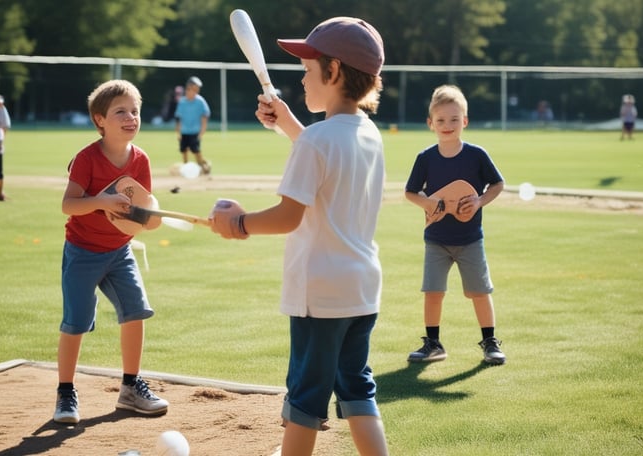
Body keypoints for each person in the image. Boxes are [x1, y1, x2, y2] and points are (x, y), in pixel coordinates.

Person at [210, 17, 389, 456]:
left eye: (309, 69)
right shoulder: (368, 133)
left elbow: (289, 215)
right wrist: (288, 124)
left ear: (334, 72)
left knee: (305, 398)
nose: (302, 78)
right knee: (356, 389)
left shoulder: (317, 142)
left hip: (319, 295)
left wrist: (239, 223)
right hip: (361, 290)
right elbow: (329, 155)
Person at [54, 79, 168, 424]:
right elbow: (68, 205)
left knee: (135, 311)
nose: (131, 117)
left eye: (135, 111)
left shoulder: (141, 160)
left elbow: (140, 209)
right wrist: (101, 201)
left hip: (120, 251)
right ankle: (65, 393)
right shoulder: (87, 159)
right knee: (76, 322)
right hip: (82, 251)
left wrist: (151, 217)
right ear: (100, 119)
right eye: (121, 111)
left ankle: (131, 387)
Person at [404, 84, 506, 366]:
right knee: (432, 291)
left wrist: (480, 201)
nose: (447, 125)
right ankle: (433, 343)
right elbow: (411, 192)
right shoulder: (426, 158)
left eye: (454, 119)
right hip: (435, 238)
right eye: (440, 120)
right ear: (430, 124)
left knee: (480, 292)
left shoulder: (476, 155)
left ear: (465, 121)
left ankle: (490, 342)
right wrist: (427, 203)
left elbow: (497, 184)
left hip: (470, 238)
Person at [173, 76, 211, 176]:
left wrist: (202, 131)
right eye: (195, 88)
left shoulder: (200, 101)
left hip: (195, 131)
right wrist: (178, 131)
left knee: (196, 150)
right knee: (184, 150)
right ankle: (186, 169)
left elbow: (205, 116)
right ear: (189, 88)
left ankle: (204, 166)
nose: (196, 91)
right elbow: (178, 117)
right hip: (184, 131)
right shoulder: (182, 101)